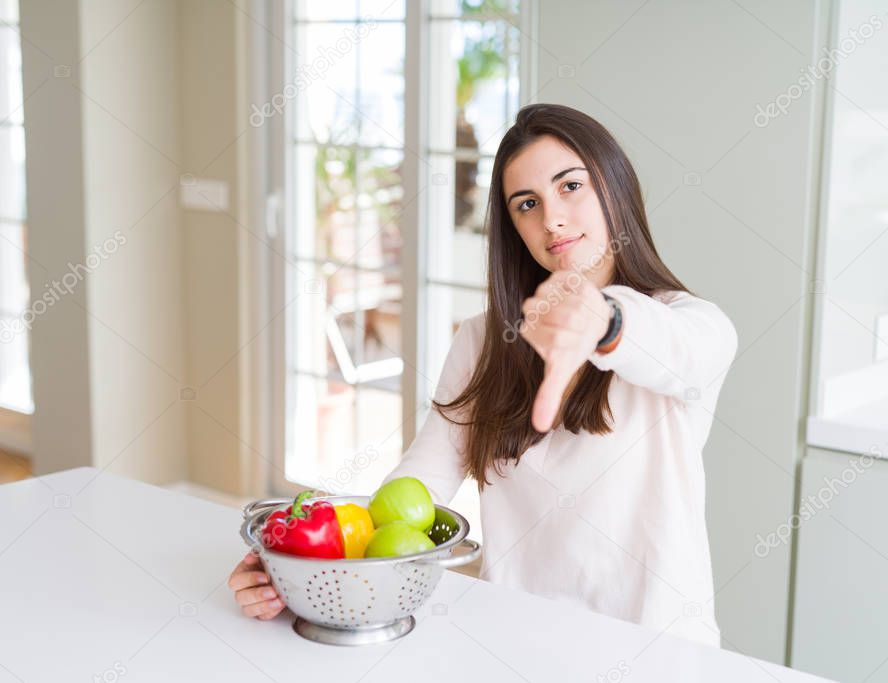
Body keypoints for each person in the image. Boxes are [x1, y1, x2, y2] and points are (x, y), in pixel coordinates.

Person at [229, 103, 739, 648]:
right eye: (527, 204)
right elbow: (416, 493)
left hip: (658, 652)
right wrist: (306, 566)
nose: (552, 219)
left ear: (615, 185)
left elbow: (679, 348)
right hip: (516, 640)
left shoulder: (691, 324)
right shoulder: (481, 341)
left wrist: (603, 321)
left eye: (571, 186)